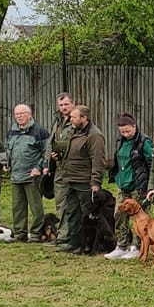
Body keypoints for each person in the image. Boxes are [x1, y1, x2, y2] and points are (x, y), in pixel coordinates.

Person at [54, 105, 105, 255]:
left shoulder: (94, 136)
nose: (70, 119)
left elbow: (98, 160)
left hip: (84, 181)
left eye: (74, 117)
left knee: (87, 215)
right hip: (70, 179)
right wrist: (59, 158)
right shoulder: (73, 132)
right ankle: (74, 243)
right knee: (71, 212)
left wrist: (95, 182)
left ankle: (89, 244)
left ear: (84, 118)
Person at [105, 113, 154, 259]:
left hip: (138, 185)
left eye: (128, 131)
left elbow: (152, 163)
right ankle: (121, 245)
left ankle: (137, 246)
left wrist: (149, 184)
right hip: (123, 184)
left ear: (134, 126)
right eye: (122, 132)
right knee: (119, 214)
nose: (126, 134)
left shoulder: (144, 142)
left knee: (140, 218)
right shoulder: (120, 141)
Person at [3, 104, 51, 241]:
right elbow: (8, 150)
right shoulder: (11, 132)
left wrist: (39, 168)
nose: (19, 117)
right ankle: (20, 233)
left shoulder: (40, 131)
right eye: (16, 114)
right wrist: (7, 163)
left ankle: (36, 233)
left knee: (36, 207)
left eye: (22, 114)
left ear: (29, 115)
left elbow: (46, 153)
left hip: (32, 176)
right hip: (16, 175)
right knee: (17, 207)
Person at [45, 92, 75, 206]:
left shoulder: (77, 120)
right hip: (58, 167)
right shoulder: (57, 120)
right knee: (60, 202)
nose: (64, 107)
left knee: (72, 205)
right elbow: (51, 141)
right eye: (61, 105)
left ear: (73, 103)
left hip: (72, 167)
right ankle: (62, 224)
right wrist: (47, 163)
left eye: (66, 104)